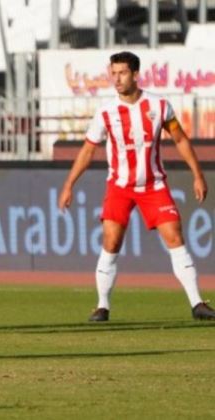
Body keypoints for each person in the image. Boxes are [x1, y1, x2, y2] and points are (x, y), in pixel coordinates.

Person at [58, 51, 215, 322]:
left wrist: (198, 175)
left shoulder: (159, 106)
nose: (116, 79)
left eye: (121, 73)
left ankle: (197, 303)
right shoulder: (105, 112)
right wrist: (69, 184)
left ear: (135, 74)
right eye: (113, 73)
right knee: (111, 241)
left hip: (153, 185)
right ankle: (102, 305)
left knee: (175, 237)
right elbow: (87, 151)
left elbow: (180, 140)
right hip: (120, 187)